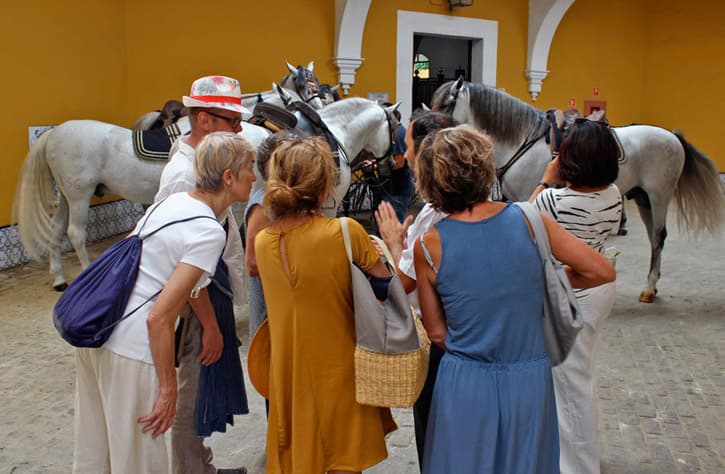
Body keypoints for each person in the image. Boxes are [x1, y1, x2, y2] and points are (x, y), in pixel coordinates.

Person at [412, 125, 615, 473]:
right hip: (529, 378)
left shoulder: (428, 245)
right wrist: (542, 280)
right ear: (485, 168)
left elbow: (436, 333)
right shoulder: (529, 217)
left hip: (467, 379)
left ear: (430, 182)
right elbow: (601, 271)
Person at [73, 132, 256, 474]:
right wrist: (168, 390)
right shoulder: (208, 229)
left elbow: (135, 260)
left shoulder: (172, 203)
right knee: (139, 460)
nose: (255, 176)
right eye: (250, 168)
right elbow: (159, 317)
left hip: (100, 333)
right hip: (132, 349)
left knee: (96, 453)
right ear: (228, 178)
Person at [254, 136, 397, 473]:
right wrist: (393, 244)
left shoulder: (263, 241)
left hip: (288, 375)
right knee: (343, 460)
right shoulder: (344, 231)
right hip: (340, 371)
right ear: (324, 186)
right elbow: (386, 286)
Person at [154, 76, 250, 474]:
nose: (240, 128)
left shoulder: (204, 162)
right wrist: (209, 322)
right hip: (193, 298)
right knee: (191, 389)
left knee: (200, 383)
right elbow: (184, 261)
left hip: (206, 287)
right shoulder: (183, 176)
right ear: (206, 121)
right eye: (232, 120)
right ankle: (192, 470)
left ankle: (199, 462)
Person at [529, 118, 623, 474]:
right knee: (580, 376)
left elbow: (526, 215)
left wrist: (545, 178)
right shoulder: (614, 196)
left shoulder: (554, 200)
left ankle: (579, 466)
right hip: (597, 288)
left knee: (570, 383)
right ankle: (576, 455)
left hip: (568, 291)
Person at [374, 110, 456, 468]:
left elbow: (406, 282)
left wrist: (393, 243)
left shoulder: (434, 214)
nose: (404, 155)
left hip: (438, 341)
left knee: (434, 433)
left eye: (408, 146)